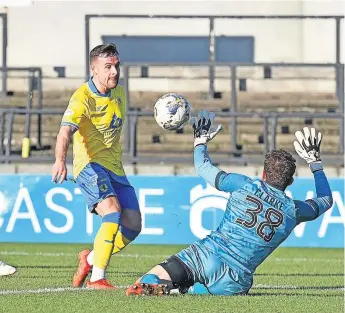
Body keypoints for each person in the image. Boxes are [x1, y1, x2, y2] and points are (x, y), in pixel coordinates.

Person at [126, 110, 333, 296]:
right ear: (290, 181)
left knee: (145, 281)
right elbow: (325, 200)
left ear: (263, 173)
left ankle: (159, 284)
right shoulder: (293, 211)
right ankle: (184, 291)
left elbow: (203, 167)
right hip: (234, 280)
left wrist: (200, 142)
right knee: (205, 292)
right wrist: (316, 164)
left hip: (206, 256)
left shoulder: (244, 185)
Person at [52, 43, 141, 290]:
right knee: (112, 212)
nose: (114, 72)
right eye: (108, 67)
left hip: (115, 168)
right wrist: (60, 160)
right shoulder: (82, 97)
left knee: (133, 226)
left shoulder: (120, 93)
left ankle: (89, 259)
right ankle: (97, 279)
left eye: (116, 66)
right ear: (94, 70)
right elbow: (64, 131)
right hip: (89, 165)